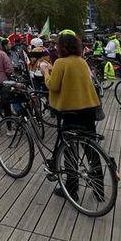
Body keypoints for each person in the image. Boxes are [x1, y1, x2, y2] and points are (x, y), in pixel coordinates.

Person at [45, 32, 102, 199]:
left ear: (61, 47)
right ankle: (99, 189)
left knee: (70, 150)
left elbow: (53, 86)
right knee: (91, 148)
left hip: (71, 111)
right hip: (89, 108)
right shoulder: (82, 62)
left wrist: (46, 72)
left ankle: (71, 189)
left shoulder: (61, 62)